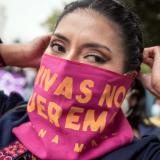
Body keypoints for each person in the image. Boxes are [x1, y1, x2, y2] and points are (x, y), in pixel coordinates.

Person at [0, 0, 160, 159]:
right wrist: (18, 54)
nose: (66, 64)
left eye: (94, 57)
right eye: (58, 47)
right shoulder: (11, 114)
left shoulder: (142, 155)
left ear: (127, 80)